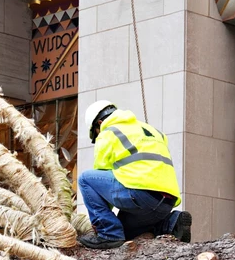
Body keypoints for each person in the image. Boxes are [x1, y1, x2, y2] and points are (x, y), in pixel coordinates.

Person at [77, 100, 192, 249]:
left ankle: (108, 234)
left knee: (86, 180)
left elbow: (101, 179)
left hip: (140, 195)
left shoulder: (109, 132)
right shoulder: (151, 130)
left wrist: (102, 220)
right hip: (165, 201)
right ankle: (171, 223)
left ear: (99, 123)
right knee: (125, 233)